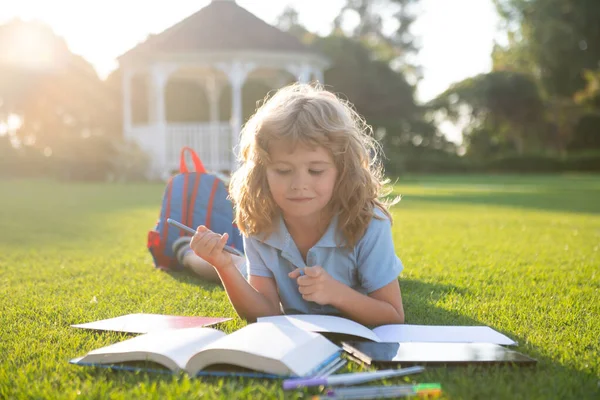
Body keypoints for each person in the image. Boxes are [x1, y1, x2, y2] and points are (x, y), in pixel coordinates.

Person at [187, 83, 405, 326]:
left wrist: (336, 293)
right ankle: (183, 252)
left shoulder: (369, 222)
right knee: (230, 263)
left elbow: (393, 315)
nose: (299, 184)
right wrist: (222, 266)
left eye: (316, 170)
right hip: (242, 268)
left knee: (240, 264)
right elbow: (265, 314)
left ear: (342, 170)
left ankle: (187, 253)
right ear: (261, 172)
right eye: (283, 171)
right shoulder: (260, 221)